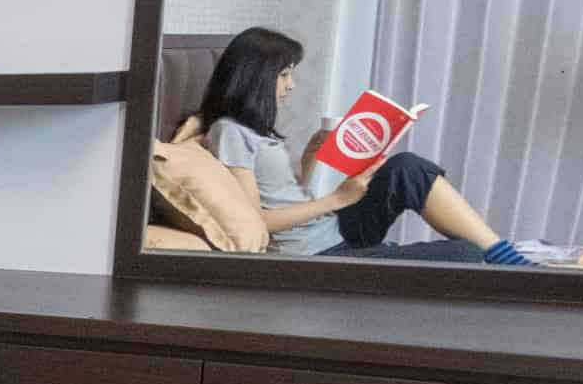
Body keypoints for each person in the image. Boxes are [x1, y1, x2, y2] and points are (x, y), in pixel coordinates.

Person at [190, 27, 536, 265]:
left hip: (333, 231)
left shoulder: (252, 130)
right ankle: (495, 259)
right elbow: (256, 221)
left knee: (406, 168)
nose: (292, 85)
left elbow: (282, 198)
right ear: (255, 77)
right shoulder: (229, 132)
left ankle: (509, 259)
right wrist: (337, 199)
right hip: (317, 258)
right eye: (284, 74)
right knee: (464, 255)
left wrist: (310, 162)